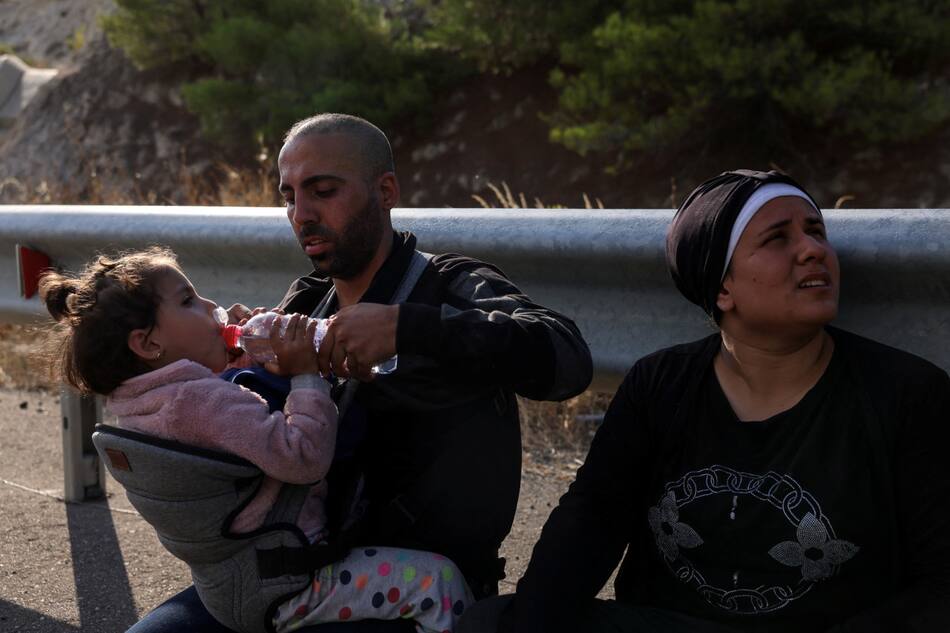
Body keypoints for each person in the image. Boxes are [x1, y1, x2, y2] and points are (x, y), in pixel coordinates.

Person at [126, 113, 594, 633]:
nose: (301, 214)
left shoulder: (446, 285)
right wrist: (234, 361)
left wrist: (407, 329)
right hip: (296, 572)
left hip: (418, 590)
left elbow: (566, 358)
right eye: (288, 196)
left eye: (323, 190)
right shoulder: (306, 300)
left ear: (386, 190)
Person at [460, 170, 950, 633]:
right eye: (778, 238)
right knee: (491, 622)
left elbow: (940, 586)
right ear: (722, 288)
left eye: (816, 231)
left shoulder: (905, 394)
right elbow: (590, 525)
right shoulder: (660, 385)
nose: (813, 250)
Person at [40, 247, 475, 633]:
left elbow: (213, 416)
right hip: (290, 582)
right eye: (189, 300)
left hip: (226, 585)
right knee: (438, 581)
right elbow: (302, 456)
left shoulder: (138, 403)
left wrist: (249, 355)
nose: (212, 305)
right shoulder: (200, 402)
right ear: (148, 342)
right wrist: (304, 370)